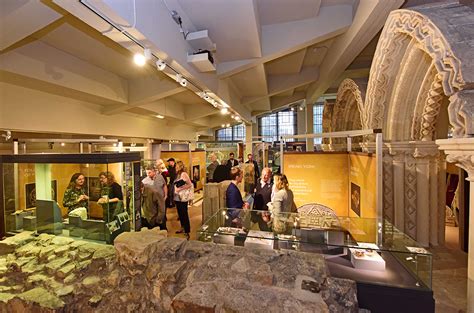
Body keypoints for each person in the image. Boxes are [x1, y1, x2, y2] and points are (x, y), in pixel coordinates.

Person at [173, 160, 193, 239]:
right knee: (180, 213)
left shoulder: (183, 174)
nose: (176, 167)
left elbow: (189, 184)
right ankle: (182, 227)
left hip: (182, 197)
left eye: (177, 166)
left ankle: (187, 230)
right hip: (177, 197)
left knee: (184, 213)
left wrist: (180, 189)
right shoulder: (177, 174)